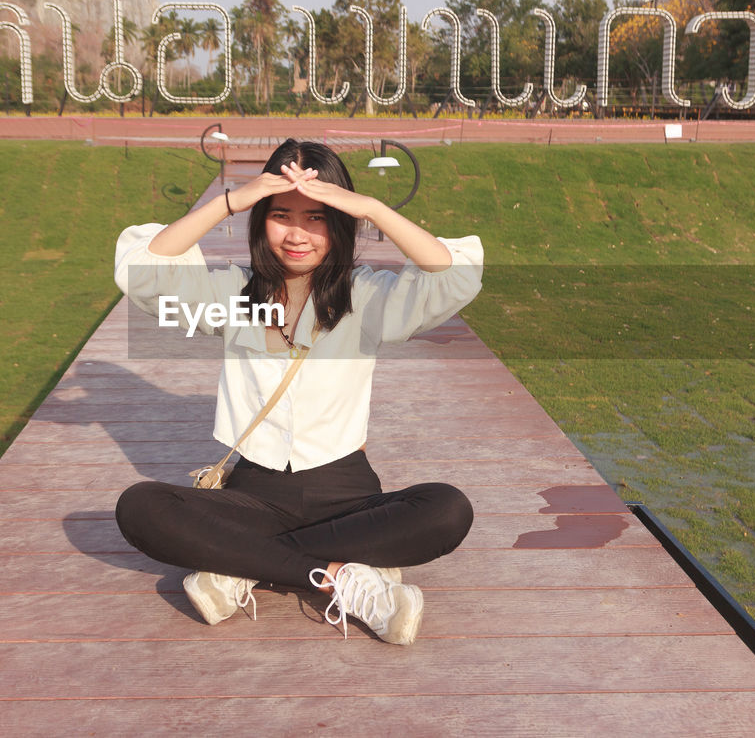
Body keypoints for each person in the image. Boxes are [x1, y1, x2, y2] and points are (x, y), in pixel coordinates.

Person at [113, 138, 482, 645]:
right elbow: (142, 273)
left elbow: (454, 276)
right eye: (281, 214)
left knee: (448, 509)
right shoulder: (229, 298)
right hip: (253, 493)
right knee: (140, 507)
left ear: (339, 224)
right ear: (260, 219)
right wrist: (231, 199)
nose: (297, 234)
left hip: (348, 495)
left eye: (318, 217)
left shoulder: (368, 297)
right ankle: (345, 577)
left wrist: (369, 208)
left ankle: (240, 563)